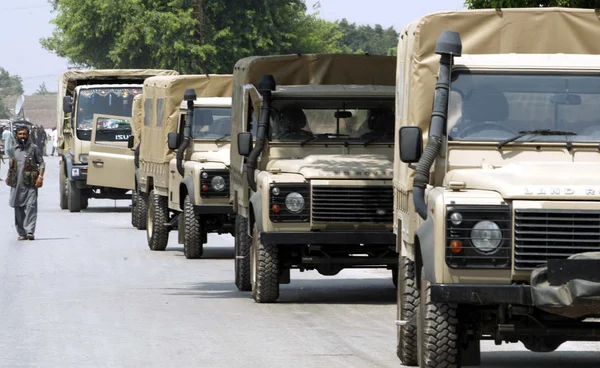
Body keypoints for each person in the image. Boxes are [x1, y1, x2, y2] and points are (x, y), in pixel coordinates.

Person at [6, 125, 45, 241]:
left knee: (31, 207)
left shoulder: (34, 148)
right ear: (16, 135)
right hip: (16, 184)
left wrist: (40, 177)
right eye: (20, 134)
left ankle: (30, 231)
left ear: (28, 135)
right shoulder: (12, 149)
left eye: (24, 134)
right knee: (18, 208)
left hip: (30, 184)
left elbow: (41, 163)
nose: (22, 136)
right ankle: (21, 232)